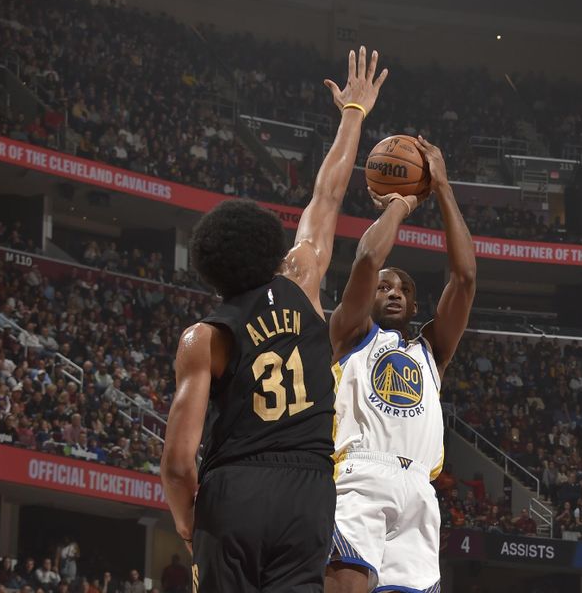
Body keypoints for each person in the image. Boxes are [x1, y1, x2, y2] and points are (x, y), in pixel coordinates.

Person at [161, 46, 389, 592]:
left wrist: (190, 523)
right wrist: (353, 114)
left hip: (235, 487)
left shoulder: (204, 339)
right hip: (308, 490)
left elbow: (177, 463)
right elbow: (328, 192)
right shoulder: (302, 277)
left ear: (209, 271)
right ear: (269, 248)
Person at [325, 137, 476, 593]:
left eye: (404, 290)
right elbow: (370, 258)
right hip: (361, 476)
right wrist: (401, 204)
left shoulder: (432, 352)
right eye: (384, 288)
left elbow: (465, 277)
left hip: (420, 490)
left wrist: (444, 188)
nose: (393, 292)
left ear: (414, 304)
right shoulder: (350, 333)